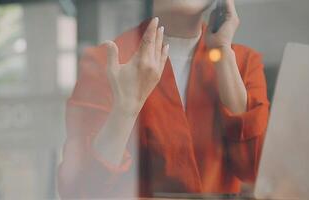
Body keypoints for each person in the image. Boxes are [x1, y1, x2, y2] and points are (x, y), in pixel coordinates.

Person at [58, 0, 270, 198]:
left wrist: (223, 53)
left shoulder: (243, 63)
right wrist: (124, 111)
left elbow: (258, 175)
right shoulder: (107, 61)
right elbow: (80, 192)